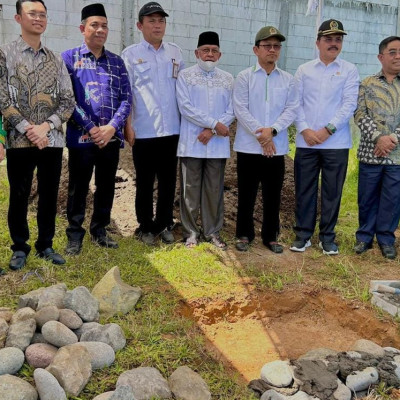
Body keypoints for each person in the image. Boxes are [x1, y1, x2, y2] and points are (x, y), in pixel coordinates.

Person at [0, 0, 75, 270]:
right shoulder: (5, 54)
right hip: (19, 141)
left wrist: (46, 127)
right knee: (19, 195)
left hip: (52, 141)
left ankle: (46, 244)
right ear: (18, 18)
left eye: (42, 14)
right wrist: (29, 129)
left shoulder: (56, 59)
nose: (38, 18)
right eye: (32, 13)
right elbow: (2, 98)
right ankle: (20, 246)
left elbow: (68, 101)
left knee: (49, 194)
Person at [62, 3, 132, 255]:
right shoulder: (69, 59)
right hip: (81, 137)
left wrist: (112, 128)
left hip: (110, 139)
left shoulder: (116, 62)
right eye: (94, 25)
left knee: (106, 186)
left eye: (104, 25)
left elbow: (126, 98)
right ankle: (74, 234)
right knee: (78, 186)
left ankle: (100, 230)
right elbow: (67, 99)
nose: (100, 30)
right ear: (83, 28)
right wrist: (92, 128)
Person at [290, 19, 359, 255]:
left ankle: (327, 237)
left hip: (336, 143)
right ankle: (303, 235)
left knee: (332, 192)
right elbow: (295, 103)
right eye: (328, 39)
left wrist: (328, 129)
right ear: (318, 42)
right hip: (306, 141)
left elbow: (349, 104)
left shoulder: (349, 69)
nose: (334, 43)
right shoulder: (304, 70)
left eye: (338, 39)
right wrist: (306, 130)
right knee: (304, 189)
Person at [122, 2, 184, 246]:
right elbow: (127, 94)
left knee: (168, 181)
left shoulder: (175, 53)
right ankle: (146, 226)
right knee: (145, 182)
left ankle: (165, 224)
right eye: (151, 21)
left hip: (171, 129)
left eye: (161, 20)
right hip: (144, 130)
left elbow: (181, 89)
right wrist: (128, 125)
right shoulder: (130, 54)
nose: (157, 25)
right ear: (140, 25)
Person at [233, 26, 298, 253]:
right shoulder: (244, 77)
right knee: (247, 193)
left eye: (276, 46)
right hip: (249, 147)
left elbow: (291, 110)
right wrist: (262, 134)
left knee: (273, 195)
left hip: (276, 148)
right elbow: (240, 108)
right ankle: (244, 234)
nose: (272, 50)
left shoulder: (288, 79)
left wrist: (274, 131)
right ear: (256, 49)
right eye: (267, 45)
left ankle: (271, 236)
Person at [176, 31, 234, 249]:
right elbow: (185, 107)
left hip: (216, 144)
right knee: (189, 190)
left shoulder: (228, 78)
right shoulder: (186, 76)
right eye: (205, 50)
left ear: (219, 55)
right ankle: (190, 232)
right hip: (192, 142)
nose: (209, 54)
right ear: (196, 52)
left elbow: (232, 110)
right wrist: (214, 123)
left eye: (214, 51)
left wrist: (213, 130)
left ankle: (212, 232)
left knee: (214, 190)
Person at [354, 36, 400, 260]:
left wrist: (391, 139)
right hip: (370, 152)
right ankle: (364, 237)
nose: (398, 56)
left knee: (392, 199)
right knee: (367, 197)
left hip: (397, 155)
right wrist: (378, 138)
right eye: (392, 52)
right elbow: (360, 114)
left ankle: (386, 239)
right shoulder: (368, 83)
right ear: (381, 57)